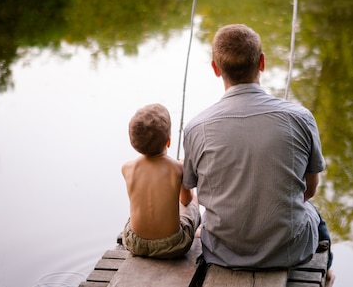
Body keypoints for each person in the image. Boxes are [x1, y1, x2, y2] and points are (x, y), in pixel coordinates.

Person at [183, 24, 334, 285]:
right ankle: (328, 273)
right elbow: (309, 190)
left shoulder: (196, 127)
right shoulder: (301, 117)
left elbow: (191, 188)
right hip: (289, 248)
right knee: (316, 216)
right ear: (262, 62)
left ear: (216, 69)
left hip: (222, 250)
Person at [121, 103, 201, 259]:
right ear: (168, 141)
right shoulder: (178, 169)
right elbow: (185, 200)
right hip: (173, 245)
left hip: (136, 244)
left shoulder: (127, 168)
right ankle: (198, 231)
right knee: (193, 203)